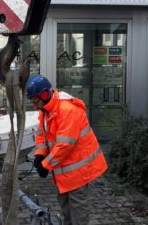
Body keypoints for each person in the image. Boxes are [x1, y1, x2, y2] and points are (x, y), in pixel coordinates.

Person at [26, 75, 108, 225]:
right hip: (64, 173)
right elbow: (41, 134)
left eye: (35, 101)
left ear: (45, 95)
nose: (34, 106)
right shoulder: (46, 110)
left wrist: (45, 165)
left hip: (78, 173)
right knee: (67, 213)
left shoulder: (68, 111)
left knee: (78, 215)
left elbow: (65, 145)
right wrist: (39, 154)